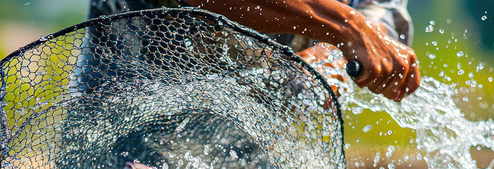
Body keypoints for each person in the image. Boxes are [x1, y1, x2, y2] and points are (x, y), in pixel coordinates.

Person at [89, 0, 421, 102]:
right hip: (128, 143)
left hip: (256, 161)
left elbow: (379, 13)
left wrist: (336, 56)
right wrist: (347, 27)